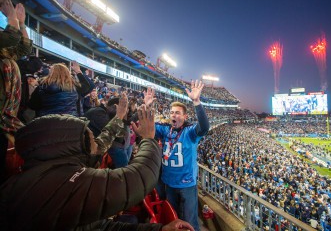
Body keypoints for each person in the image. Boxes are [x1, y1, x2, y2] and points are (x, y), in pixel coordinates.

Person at [0, 92, 194, 231]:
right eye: (88, 135)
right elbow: (139, 178)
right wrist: (149, 140)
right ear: (69, 146)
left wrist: (159, 230)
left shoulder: (50, 167)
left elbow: (101, 226)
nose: (95, 137)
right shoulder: (69, 183)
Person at [144, 80, 210, 231]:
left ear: (185, 116)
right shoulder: (165, 130)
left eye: (177, 113)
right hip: (169, 183)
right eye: (172, 112)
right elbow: (147, 126)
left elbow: (205, 127)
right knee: (173, 218)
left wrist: (197, 102)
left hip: (186, 184)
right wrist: (147, 107)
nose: (173, 115)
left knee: (189, 221)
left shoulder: (190, 132)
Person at [0, 0, 33, 182]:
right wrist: (12, 19)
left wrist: (20, 23)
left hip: (4, 118)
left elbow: (24, 48)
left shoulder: (5, 53)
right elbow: (10, 39)